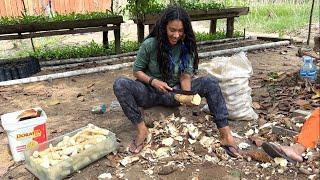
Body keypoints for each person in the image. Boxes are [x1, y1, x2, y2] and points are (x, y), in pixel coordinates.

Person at [113, 5, 238, 156]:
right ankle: (142, 130)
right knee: (120, 84)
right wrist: (153, 81)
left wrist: (187, 95)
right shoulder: (150, 44)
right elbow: (137, 71)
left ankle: (226, 135)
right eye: (172, 30)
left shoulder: (186, 46)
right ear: (164, 27)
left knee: (210, 82)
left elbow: (185, 76)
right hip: (150, 92)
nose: (176, 35)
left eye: (180, 31)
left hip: (174, 93)